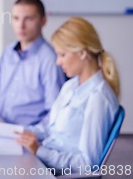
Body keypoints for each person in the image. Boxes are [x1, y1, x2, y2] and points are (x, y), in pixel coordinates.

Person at [16, 17, 120, 174]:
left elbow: (87, 165)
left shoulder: (98, 98)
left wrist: (39, 151)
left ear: (83, 53)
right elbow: (50, 130)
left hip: (54, 170)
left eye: (62, 55)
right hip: (42, 162)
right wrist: (18, 132)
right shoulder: (70, 86)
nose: (58, 62)